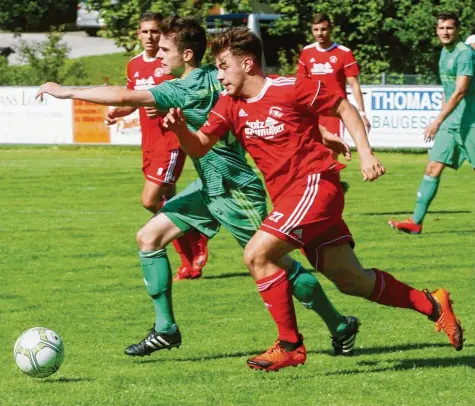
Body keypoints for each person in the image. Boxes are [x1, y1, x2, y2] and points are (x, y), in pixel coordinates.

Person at [36, 16, 361, 363]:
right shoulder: (213, 74)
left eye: (164, 49)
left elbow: (124, 92)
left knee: (278, 265)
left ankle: (339, 325)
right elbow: (256, 99)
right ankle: (165, 329)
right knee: (149, 238)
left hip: (235, 188)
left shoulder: (184, 87)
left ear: (187, 55)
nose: (157, 55)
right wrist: (319, 131)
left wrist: (67, 91)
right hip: (207, 185)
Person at [163, 27, 464, 371]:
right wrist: (180, 131)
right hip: (290, 199)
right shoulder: (229, 105)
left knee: (257, 254)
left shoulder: (291, 87)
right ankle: (433, 305)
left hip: (315, 186)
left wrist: (366, 154)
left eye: (222, 66)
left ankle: (290, 345)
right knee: (352, 281)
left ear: (247, 63)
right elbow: (200, 145)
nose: (219, 75)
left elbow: (344, 108)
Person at [104, 12, 209, 280]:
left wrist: (164, 108)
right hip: (149, 142)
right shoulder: (134, 65)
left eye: (154, 32)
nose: (150, 37)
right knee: (168, 201)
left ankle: (193, 228)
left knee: (149, 199)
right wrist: (119, 112)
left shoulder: (168, 65)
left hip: (170, 140)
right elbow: (135, 99)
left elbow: (180, 97)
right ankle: (188, 263)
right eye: (145, 31)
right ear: (138, 34)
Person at [389, 11, 475, 234]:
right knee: (432, 167)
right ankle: (415, 222)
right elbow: (448, 93)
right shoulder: (444, 53)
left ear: (457, 30)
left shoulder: (465, 54)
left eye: (450, 28)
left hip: (471, 124)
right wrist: (442, 121)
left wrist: (437, 121)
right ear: (436, 30)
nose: (445, 32)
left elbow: (460, 91)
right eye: (441, 28)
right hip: (451, 125)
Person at [297, 13, 371, 140]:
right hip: (312, 111)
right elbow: (300, 83)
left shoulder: (344, 53)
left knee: (331, 152)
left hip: (335, 111)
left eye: (323, 29)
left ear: (330, 29)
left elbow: (354, 84)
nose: (319, 33)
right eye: (315, 29)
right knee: (312, 154)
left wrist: (362, 113)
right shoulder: (306, 52)